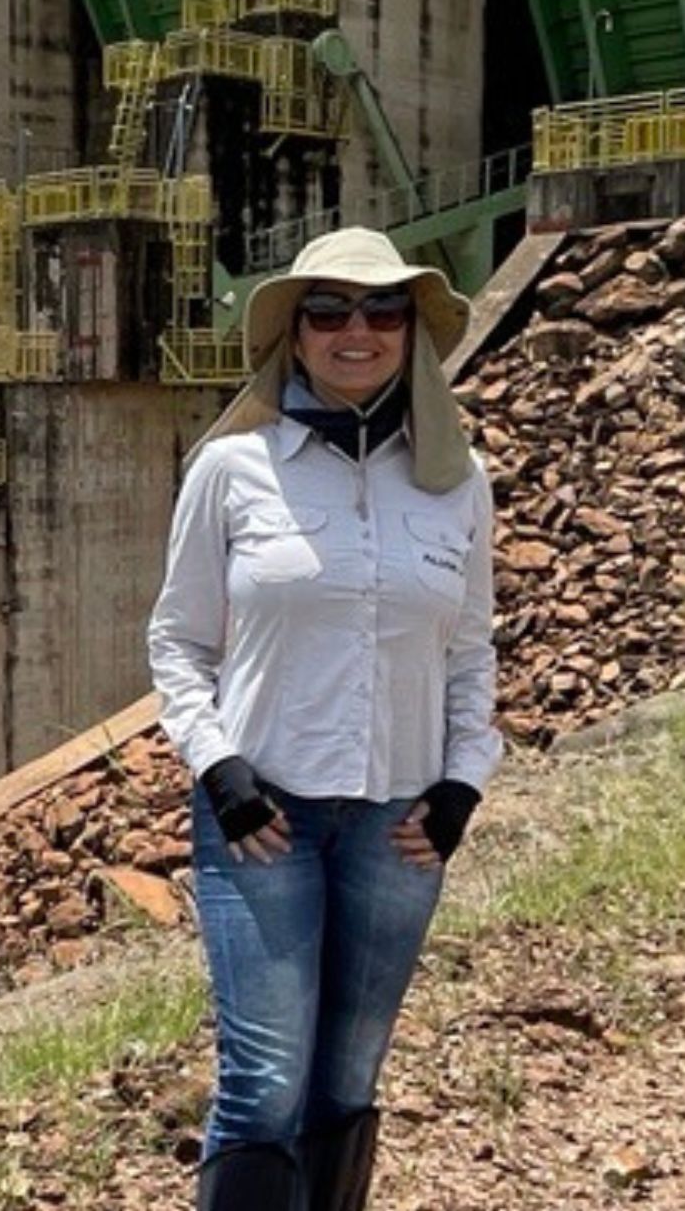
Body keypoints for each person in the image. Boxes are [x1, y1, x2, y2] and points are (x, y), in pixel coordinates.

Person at [146, 227, 501, 1211]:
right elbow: (178, 641)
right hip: (263, 823)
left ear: (410, 334)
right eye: (330, 311)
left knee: (347, 1080)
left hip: (397, 830)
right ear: (295, 335)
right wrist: (219, 769)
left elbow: (470, 646)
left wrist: (462, 783)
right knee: (263, 1083)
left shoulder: (456, 482)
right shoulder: (231, 469)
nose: (357, 330)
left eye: (381, 310)